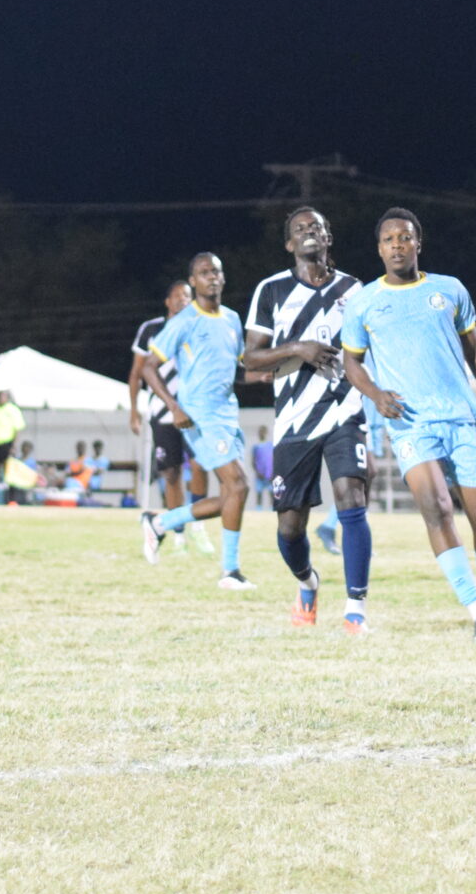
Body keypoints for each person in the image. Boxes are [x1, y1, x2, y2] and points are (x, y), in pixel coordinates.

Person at [339, 208, 476, 641]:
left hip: (460, 418)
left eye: (405, 237)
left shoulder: (449, 290)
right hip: (410, 423)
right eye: (388, 240)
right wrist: (377, 395)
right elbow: (351, 363)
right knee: (436, 507)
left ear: (419, 243)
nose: (397, 245)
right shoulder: (363, 302)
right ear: (378, 249)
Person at [241, 206, 374, 633]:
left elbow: (374, 346)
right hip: (295, 420)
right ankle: (307, 582)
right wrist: (299, 348)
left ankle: (356, 610)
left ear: (328, 236)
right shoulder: (271, 290)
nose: (308, 232)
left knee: (352, 497)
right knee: (290, 525)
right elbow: (251, 357)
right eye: (299, 229)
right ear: (289, 244)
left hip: (344, 411)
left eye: (316, 226)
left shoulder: (356, 290)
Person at [138, 253, 256, 589]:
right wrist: (174, 406)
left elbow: (238, 371)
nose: (212, 277)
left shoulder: (233, 319)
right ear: (194, 281)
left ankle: (160, 524)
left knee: (235, 493)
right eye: (204, 273)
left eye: (217, 271)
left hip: (227, 412)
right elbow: (148, 366)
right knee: (238, 485)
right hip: (199, 415)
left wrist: (268, 375)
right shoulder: (184, 321)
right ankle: (230, 572)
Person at [130, 282, 211, 549]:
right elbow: (137, 372)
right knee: (171, 473)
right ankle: (177, 533)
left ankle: (198, 523)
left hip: (195, 410)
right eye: (176, 296)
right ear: (167, 301)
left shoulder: (200, 326)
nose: (182, 300)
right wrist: (133, 409)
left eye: (187, 296)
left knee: (201, 463)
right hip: (162, 413)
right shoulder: (152, 330)